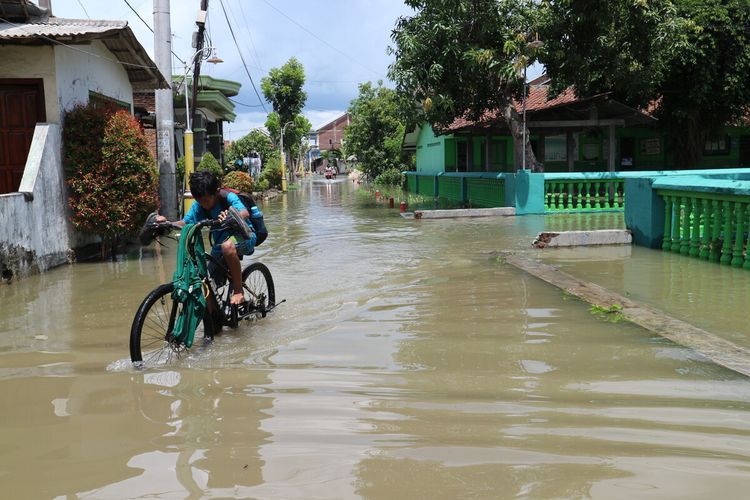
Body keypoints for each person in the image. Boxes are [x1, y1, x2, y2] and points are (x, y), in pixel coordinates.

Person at [156, 170, 255, 306]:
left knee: (227, 247)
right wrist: (167, 224)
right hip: (219, 245)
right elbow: (185, 222)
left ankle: (238, 290)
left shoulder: (228, 197)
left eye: (206, 200)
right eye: (199, 201)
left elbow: (244, 212)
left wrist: (231, 216)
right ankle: (215, 319)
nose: (203, 204)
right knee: (206, 285)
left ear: (216, 192)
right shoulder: (199, 206)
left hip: (245, 237)